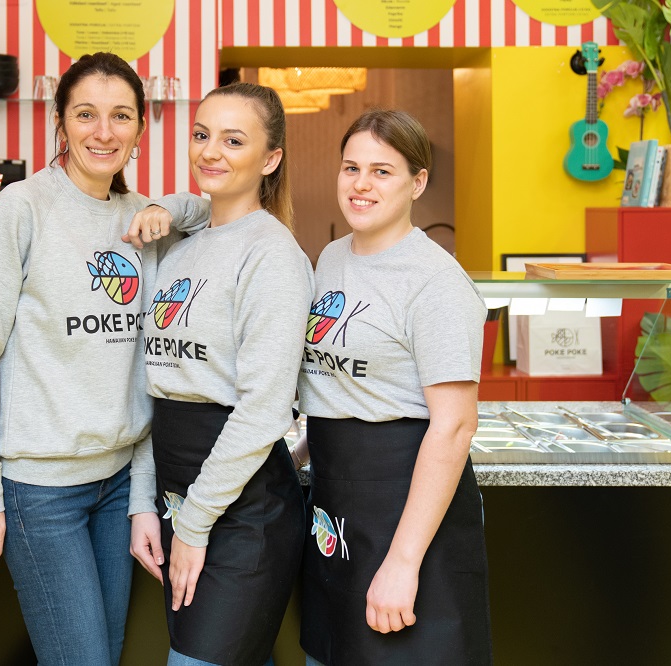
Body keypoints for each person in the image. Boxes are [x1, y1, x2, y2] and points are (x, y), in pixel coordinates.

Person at [0, 52, 206, 666]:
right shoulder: (21, 208)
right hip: (39, 489)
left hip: (117, 486)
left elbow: (212, 213)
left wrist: (168, 207)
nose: (104, 132)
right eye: (86, 114)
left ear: (141, 127)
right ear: (60, 121)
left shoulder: (142, 219)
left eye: (121, 116)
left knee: (103, 655)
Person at [295, 109, 492, 665]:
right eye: (351, 168)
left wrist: (403, 563)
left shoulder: (435, 281)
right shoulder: (332, 259)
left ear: (417, 182)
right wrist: (299, 454)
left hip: (406, 513)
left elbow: (455, 427)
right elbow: (341, 385)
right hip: (335, 508)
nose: (361, 184)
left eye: (382, 171)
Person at [126, 82, 314, 666]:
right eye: (202, 135)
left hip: (243, 511)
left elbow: (263, 410)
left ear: (270, 159)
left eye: (234, 140)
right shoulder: (181, 246)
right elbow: (156, 389)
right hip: (179, 497)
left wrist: (194, 524)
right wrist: (145, 503)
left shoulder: (272, 255)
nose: (211, 151)